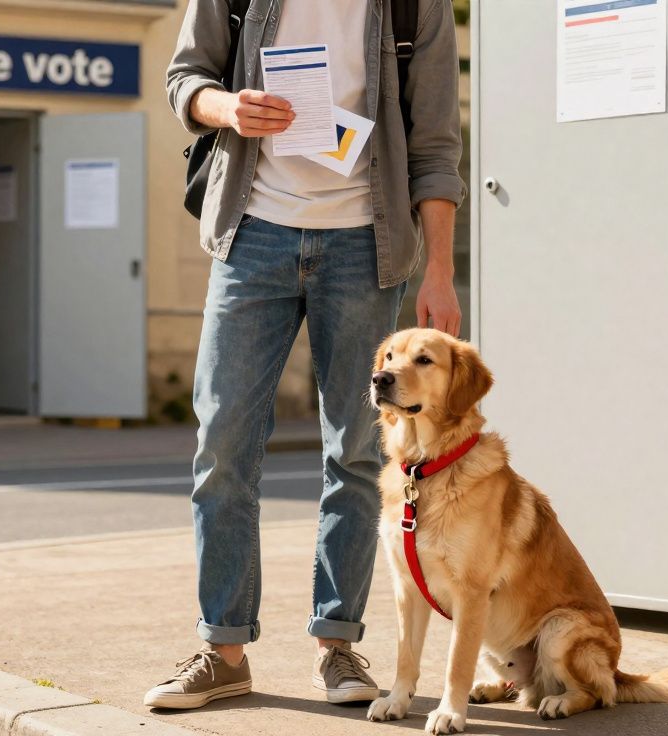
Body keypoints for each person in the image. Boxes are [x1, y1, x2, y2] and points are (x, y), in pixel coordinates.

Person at [144, 0, 465, 710]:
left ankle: (338, 645)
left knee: (355, 451)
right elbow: (184, 79)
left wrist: (439, 272)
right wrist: (229, 108)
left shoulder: (417, 5)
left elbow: (436, 143)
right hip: (252, 231)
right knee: (223, 444)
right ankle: (224, 650)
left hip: (365, 243)